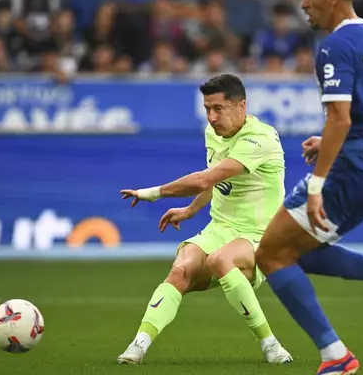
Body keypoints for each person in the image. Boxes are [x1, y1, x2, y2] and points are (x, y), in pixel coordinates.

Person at [254, 0, 363, 374]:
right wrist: (337, 137)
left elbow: (341, 118)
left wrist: (317, 183)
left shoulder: (334, 46)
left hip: (351, 171)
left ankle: (336, 357)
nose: (303, 3)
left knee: (271, 254)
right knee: (297, 250)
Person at [117, 74, 293, 365]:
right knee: (181, 270)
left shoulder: (259, 138)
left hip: (261, 237)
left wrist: (154, 193)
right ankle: (138, 346)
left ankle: (272, 346)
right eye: (207, 108)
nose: (211, 117)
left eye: (218, 109)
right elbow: (218, 181)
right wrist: (190, 211)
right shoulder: (214, 133)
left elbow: (204, 179)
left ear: (241, 106)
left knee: (220, 260)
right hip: (219, 229)